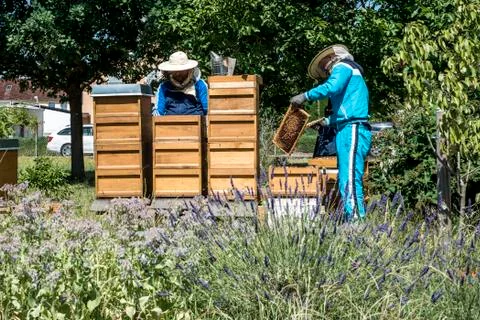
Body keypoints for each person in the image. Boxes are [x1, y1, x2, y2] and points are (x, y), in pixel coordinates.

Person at [290, 44, 371, 221]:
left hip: (353, 129)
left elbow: (331, 88)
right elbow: (346, 110)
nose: (324, 69)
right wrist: (325, 122)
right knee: (345, 178)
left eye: (323, 64)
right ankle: (352, 218)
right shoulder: (349, 74)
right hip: (346, 128)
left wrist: (305, 96)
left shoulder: (343, 67)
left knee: (349, 177)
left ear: (331, 57)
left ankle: (357, 223)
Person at [152, 51, 208, 116]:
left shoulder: (200, 85)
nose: (178, 74)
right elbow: (158, 113)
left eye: (182, 71)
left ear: (189, 70)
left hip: (197, 124)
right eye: (175, 71)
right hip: (170, 125)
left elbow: (207, 109)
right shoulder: (163, 87)